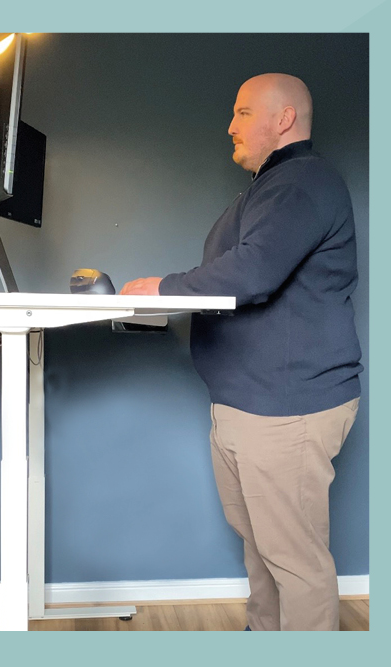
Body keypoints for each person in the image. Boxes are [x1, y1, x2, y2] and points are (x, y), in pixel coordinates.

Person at [122, 73, 362, 631]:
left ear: (283, 120)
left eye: (243, 113)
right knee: (261, 549)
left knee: (294, 561)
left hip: (287, 407)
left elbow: (251, 275)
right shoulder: (269, 188)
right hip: (248, 403)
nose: (230, 125)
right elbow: (234, 279)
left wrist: (162, 288)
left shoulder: (302, 181)